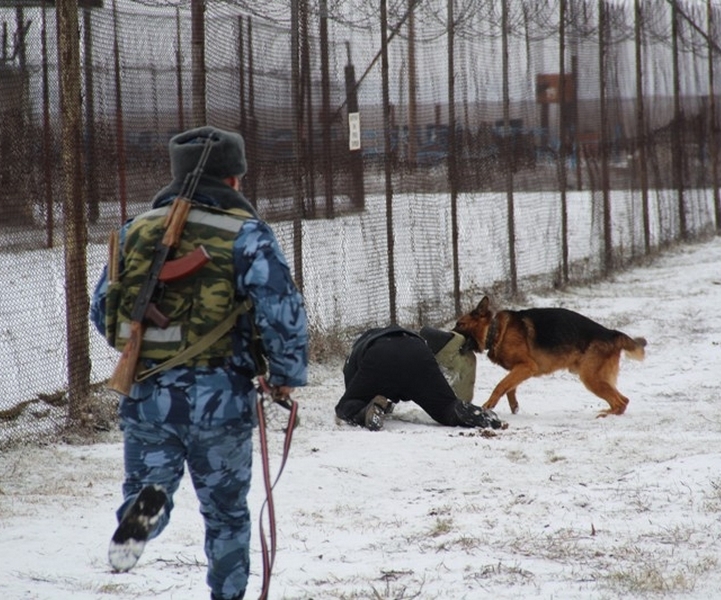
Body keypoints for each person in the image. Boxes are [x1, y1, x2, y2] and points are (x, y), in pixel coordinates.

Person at [89, 125, 308, 600]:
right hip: (221, 401)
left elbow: (103, 310)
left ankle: (146, 507)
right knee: (227, 515)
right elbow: (282, 311)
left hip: (146, 396)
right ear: (233, 180)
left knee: (150, 486)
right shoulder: (247, 235)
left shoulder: (133, 231)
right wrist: (285, 376)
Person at [334, 326, 502, 431]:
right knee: (446, 407)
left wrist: (360, 402)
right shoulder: (379, 336)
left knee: (347, 405)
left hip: (380, 355)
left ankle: (367, 412)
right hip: (417, 350)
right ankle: (480, 416)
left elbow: (351, 394)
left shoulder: (352, 360)